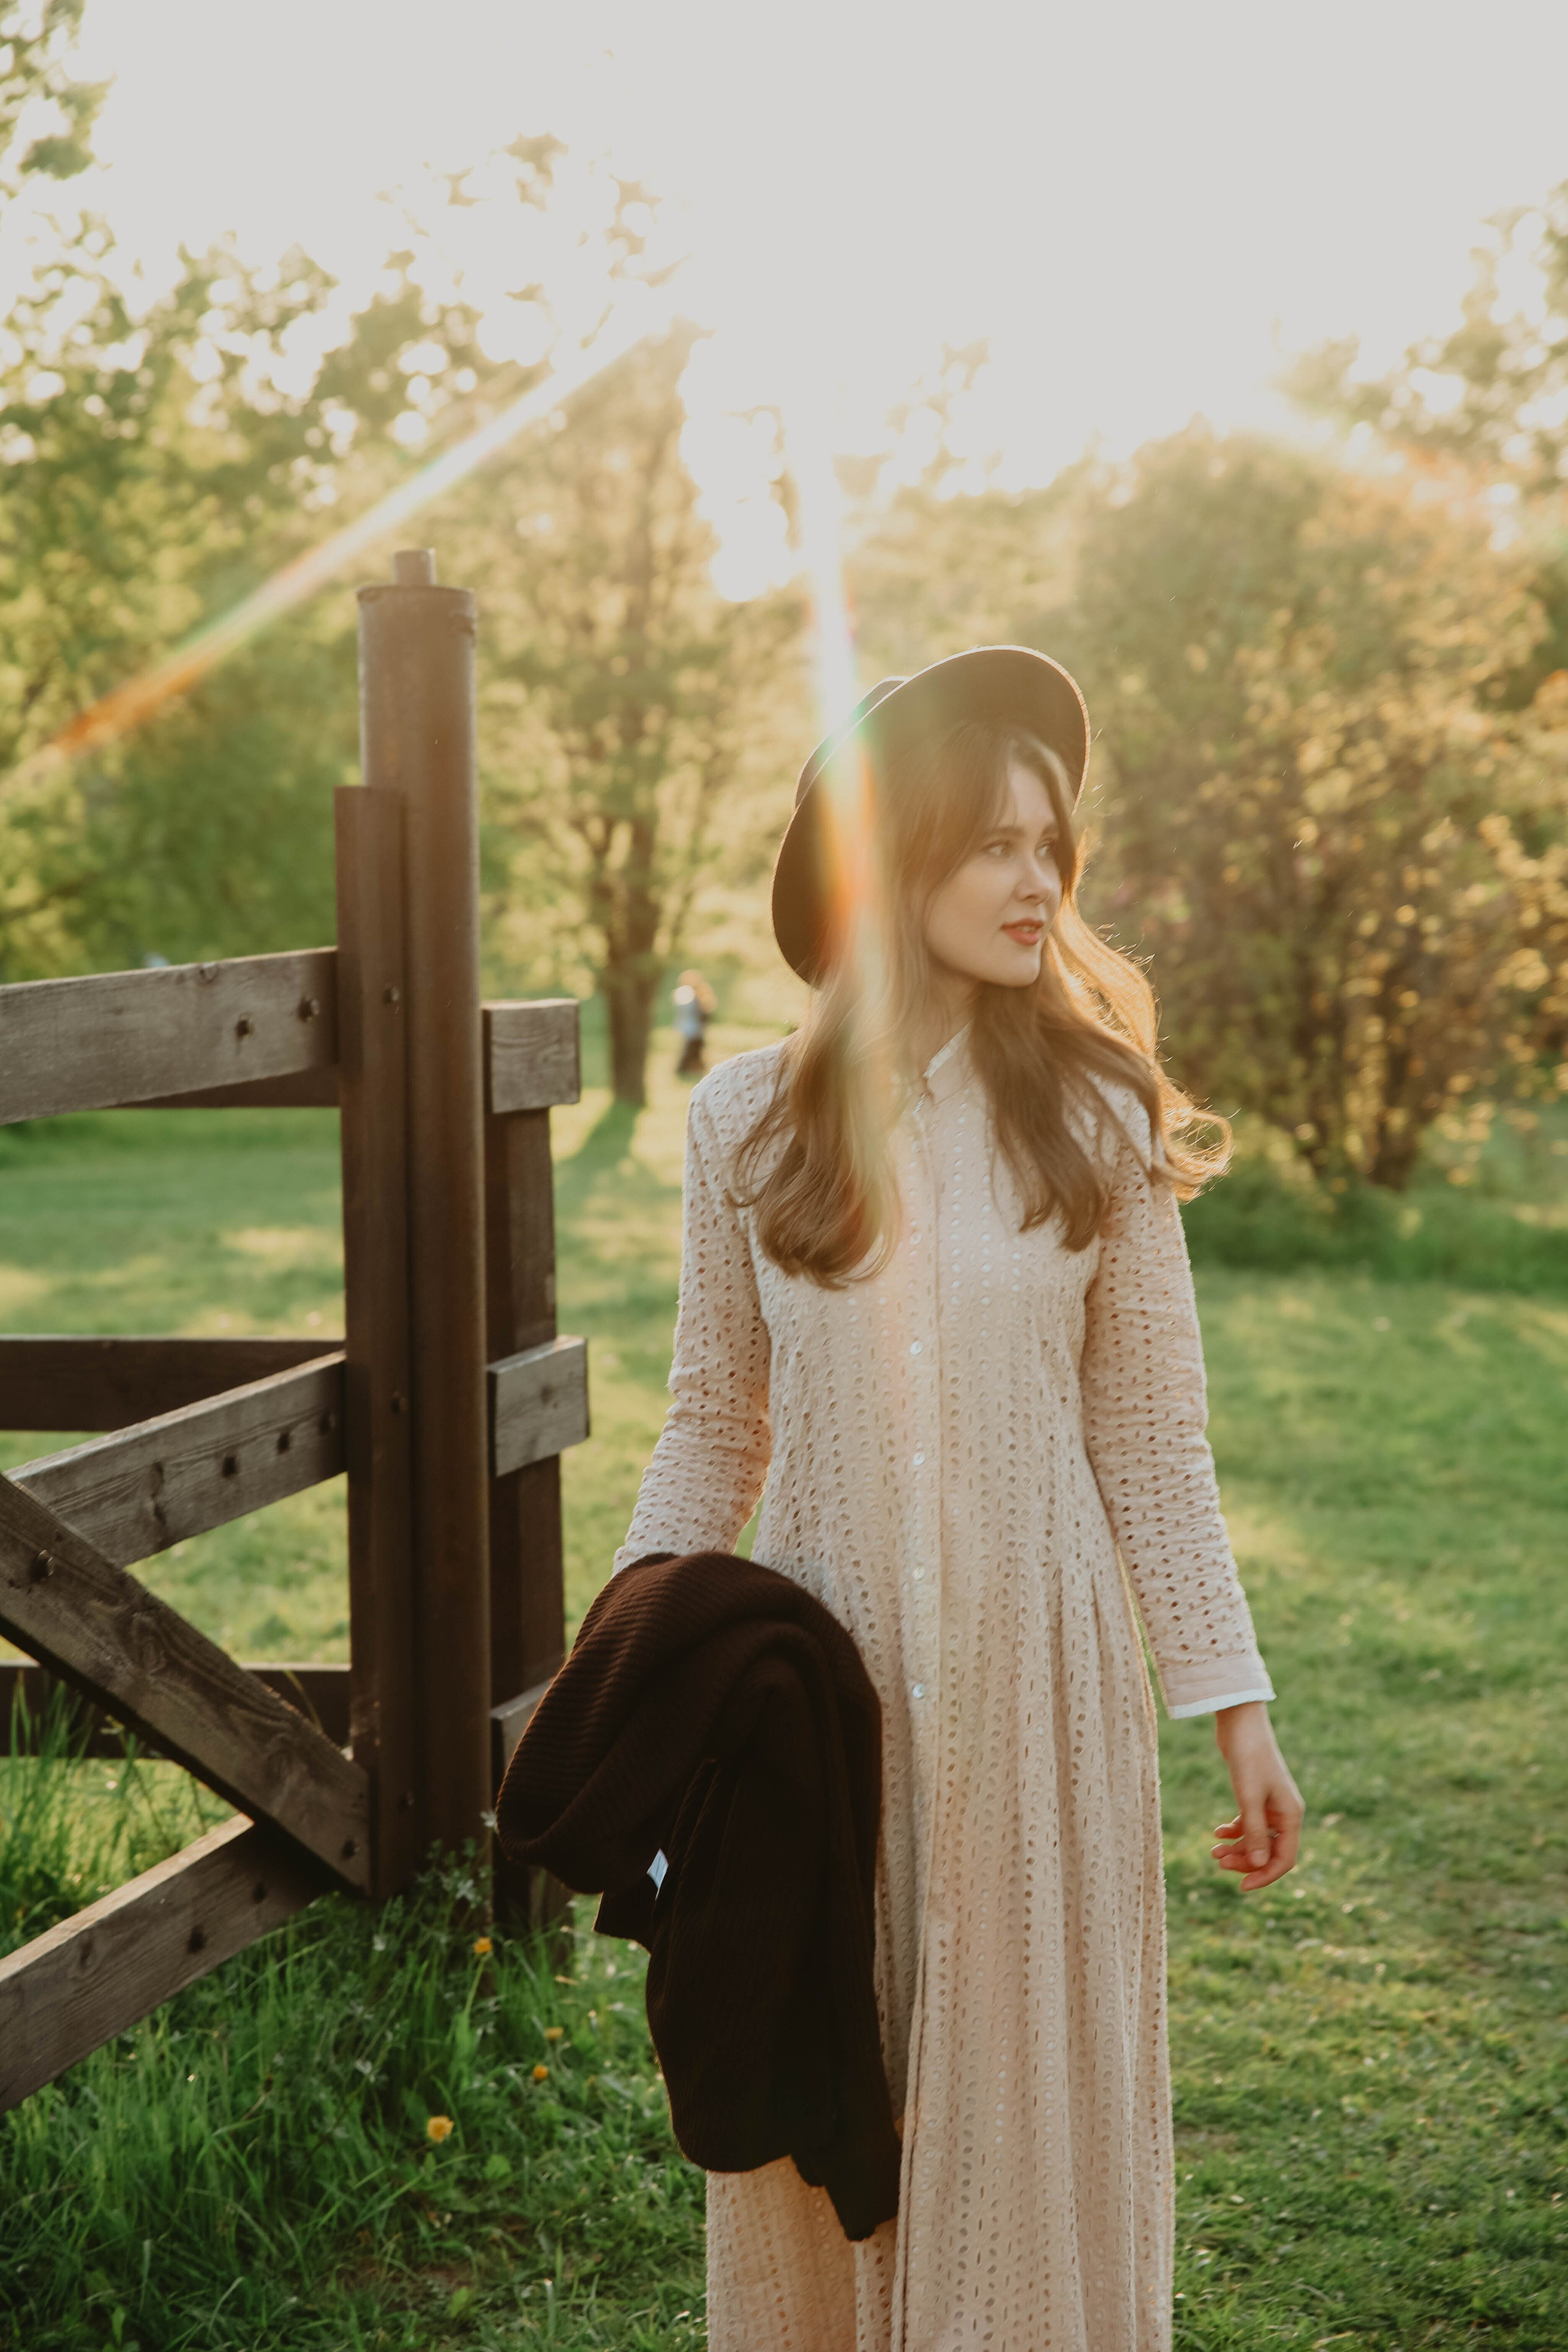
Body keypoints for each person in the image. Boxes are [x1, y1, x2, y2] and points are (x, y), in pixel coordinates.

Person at [612, 647, 1305, 2352]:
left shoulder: (1097, 1114)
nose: (1038, 878)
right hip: (814, 1713)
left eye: (1050, 843)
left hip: (1042, 1706)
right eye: (993, 842)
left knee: (1020, 2111)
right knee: (829, 2088)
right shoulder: (742, 1127)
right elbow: (714, 1424)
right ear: (895, 860)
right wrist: (626, 1671)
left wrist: (1235, 1703)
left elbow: (1153, 1442)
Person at [672, 967, 716, 1076]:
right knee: (690, 1049)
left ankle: (696, 1068)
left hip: (696, 1027)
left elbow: (706, 1011)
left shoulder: (700, 994)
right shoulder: (686, 994)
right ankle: (683, 1070)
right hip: (691, 1027)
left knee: (697, 1049)